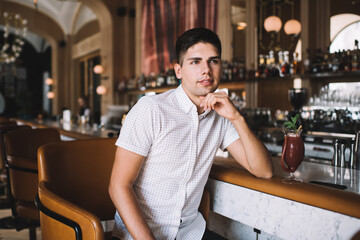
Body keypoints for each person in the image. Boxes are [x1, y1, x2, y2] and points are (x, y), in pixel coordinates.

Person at [109, 28, 273, 240]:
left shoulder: (221, 115)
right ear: (179, 70)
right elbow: (118, 186)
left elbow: (264, 171)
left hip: (190, 233)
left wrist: (236, 118)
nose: (206, 70)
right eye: (195, 62)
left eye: (213, 61)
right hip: (139, 235)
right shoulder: (151, 109)